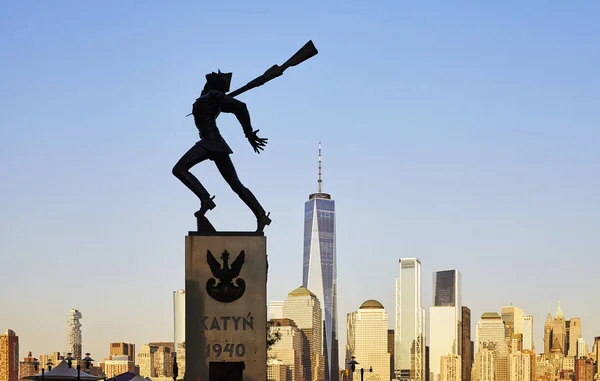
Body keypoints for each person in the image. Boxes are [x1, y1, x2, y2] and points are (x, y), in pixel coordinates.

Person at [172, 71, 271, 232]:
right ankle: (260, 215)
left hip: (211, 142)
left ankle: (205, 199)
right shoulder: (209, 97)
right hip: (213, 143)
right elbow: (231, 106)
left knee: (179, 169)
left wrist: (249, 134)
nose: (211, 75)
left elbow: (240, 107)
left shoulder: (213, 95)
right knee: (236, 185)